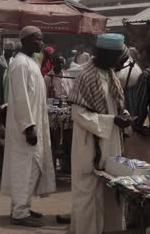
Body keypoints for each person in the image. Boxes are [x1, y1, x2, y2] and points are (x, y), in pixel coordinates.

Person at [68, 34, 130, 234]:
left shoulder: (110, 74)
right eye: (117, 55)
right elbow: (79, 114)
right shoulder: (86, 76)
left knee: (110, 190)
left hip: (110, 140)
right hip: (90, 143)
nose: (119, 60)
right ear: (104, 54)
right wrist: (112, 121)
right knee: (88, 193)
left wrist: (124, 115)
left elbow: (115, 105)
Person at [1, 26, 56, 228]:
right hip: (26, 128)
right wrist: (29, 127)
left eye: (41, 40)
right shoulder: (20, 64)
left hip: (34, 125)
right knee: (24, 169)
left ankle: (23, 206)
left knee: (30, 168)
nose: (40, 43)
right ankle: (19, 213)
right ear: (25, 41)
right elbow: (21, 98)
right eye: (37, 40)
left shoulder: (30, 62)